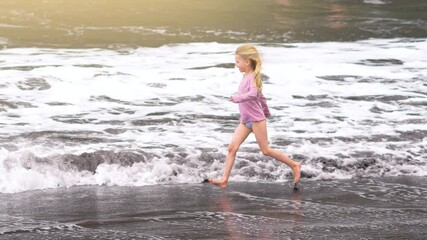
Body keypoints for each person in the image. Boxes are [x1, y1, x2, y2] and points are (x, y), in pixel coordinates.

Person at [208, 44, 301, 189]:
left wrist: (238, 98)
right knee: (232, 147)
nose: (236, 64)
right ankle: (224, 179)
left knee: (266, 150)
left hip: (256, 120)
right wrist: (266, 110)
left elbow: (253, 94)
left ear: (248, 62)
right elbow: (261, 97)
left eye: (238, 61)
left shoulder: (252, 77)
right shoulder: (246, 76)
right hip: (246, 121)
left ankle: (294, 165)